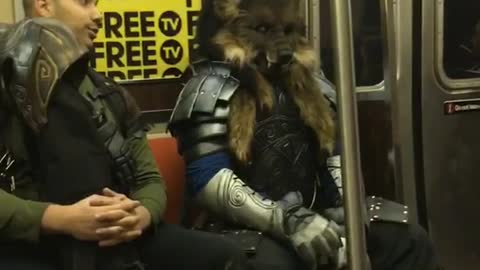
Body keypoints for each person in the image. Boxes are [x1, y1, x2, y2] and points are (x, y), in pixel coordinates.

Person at [167, 0, 438, 270]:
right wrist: (289, 221)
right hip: (245, 223)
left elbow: (332, 156)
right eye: (262, 28)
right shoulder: (211, 86)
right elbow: (208, 180)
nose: (282, 43)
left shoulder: (311, 83)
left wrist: (347, 218)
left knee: (409, 239)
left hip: (315, 210)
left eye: (287, 31)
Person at [0, 1, 250, 270]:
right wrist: (57, 218)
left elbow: (148, 178)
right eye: (84, 3)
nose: (98, 15)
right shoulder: (6, 88)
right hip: (32, 240)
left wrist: (140, 214)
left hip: (119, 236)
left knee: (225, 257)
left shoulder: (109, 93)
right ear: (44, 4)